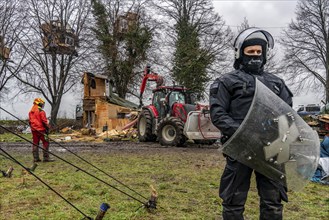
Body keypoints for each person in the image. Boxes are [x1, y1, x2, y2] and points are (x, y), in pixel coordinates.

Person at [209, 28, 293, 220]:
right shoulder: (226, 81)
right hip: (240, 147)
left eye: (259, 52)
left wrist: (284, 137)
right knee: (233, 200)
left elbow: (287, 113)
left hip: (271, 149)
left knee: (273, 201)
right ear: (240, 53)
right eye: (250, 52)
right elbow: (218, 113)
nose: (255, 56)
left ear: (264, 54)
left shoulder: (276, 83)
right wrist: (243, 132)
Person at [29, 98, 53, 162]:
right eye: (42, 104)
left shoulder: (31, 112)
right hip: (42, 130)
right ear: (39, 103)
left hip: (34, 130)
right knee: (45, 142)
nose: (43, 105)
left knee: (35, 143)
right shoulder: (41, 111)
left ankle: (36, 158)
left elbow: (30, 121)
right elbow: (44, 121)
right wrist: (48, 128)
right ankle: (46, 158)